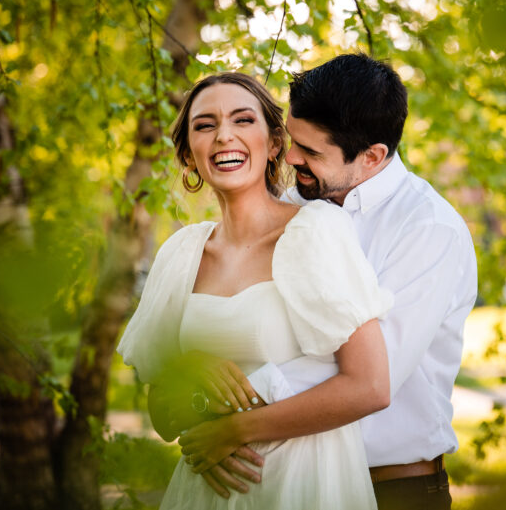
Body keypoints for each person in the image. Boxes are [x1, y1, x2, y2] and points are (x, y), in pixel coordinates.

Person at [200, 54, 478, 509]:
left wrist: (232, 417)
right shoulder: (293, 206)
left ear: (372, 157)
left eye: (311, 152)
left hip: (390, 490)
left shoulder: (428, 231)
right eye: (292, 141)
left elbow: (368, 377)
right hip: (284, 485)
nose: (290, 158)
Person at [117, 71, 393, 509]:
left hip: (303, 485)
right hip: (205, 490)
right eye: (205, 126)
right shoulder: (181, 254)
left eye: (243, 120)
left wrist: (232, 430)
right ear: (189, 155)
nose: (224, 136)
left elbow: (370, 386)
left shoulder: (315, 231)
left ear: (275, 144)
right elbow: (163, 419)